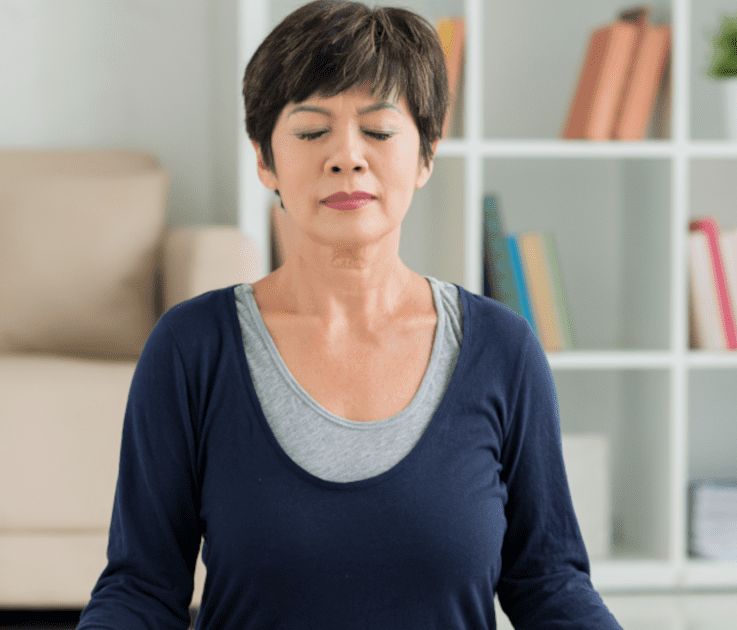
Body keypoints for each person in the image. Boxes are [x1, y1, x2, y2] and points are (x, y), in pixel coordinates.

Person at [77, 1, 623, 628]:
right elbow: (142, 588)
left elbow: (546, 580)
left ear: (425, 155)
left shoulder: (503, 349)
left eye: (380, 130)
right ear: (265, 159)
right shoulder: (192, 348)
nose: (346, 157)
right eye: (311, 131)